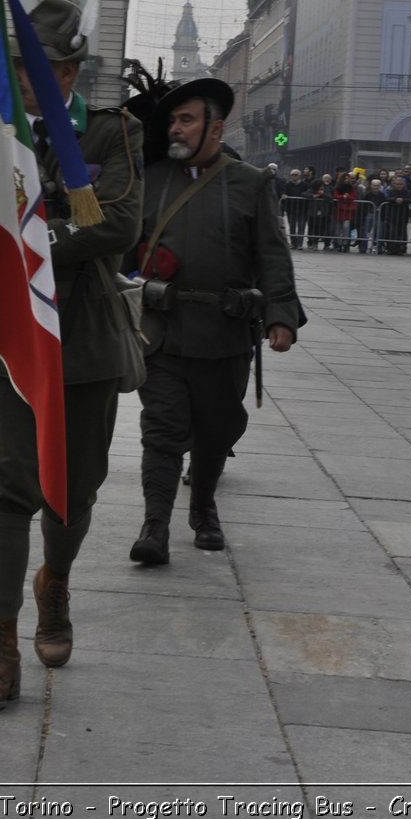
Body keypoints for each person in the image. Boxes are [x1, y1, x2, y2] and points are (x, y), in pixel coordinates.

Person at [0, 0, 142, 712]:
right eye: (21, 71)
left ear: (68, 73)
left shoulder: (110, 132)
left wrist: (32, 241)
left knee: (78, 485)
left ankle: (54, 581)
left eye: (43, 71)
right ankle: (1, 645)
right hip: (2, 329)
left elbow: (118, 222)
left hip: (83, 334)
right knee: (5, 483)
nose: (30, 83)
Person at [127, 77, 304, 566]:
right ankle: (154, 526)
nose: (177, 129)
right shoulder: (151, 178)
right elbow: (120, 244)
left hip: (225, 333)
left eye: (187, 119)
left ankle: (203, 508)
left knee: (216, 430)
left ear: (215, 126)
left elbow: (273, 254)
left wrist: (281, 316)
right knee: (161, 429)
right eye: (172, 121)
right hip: (161, 328)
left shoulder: (251, 182)